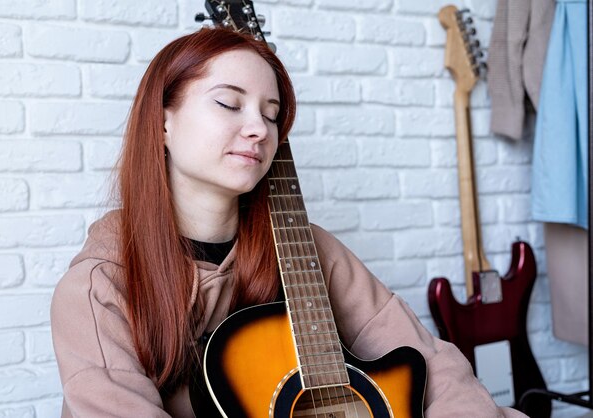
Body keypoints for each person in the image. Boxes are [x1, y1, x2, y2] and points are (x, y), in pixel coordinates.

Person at [50, 27, 528, 417]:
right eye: (229, 103)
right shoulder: (98, 285)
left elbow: (429, 360)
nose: (260, 128)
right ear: (161, 123)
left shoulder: (309, 248)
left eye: (272, 114)